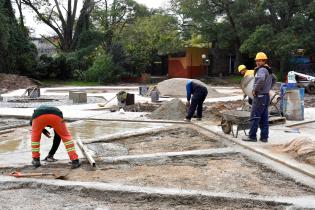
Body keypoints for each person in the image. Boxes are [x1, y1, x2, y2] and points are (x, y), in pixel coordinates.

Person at [242, 52, 276, 143]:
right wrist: (268, 88)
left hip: (259, 96)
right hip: (265, 96)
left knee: (255, 116)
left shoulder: (261, 70)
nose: (257, 62)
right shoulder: (269, 70)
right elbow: (274, 79)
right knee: (264, 117)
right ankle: (264, 137)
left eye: (259, 61)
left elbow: (260, 80)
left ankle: (252, 136)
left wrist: (255, 90)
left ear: (263, 61)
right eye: (257, 61)